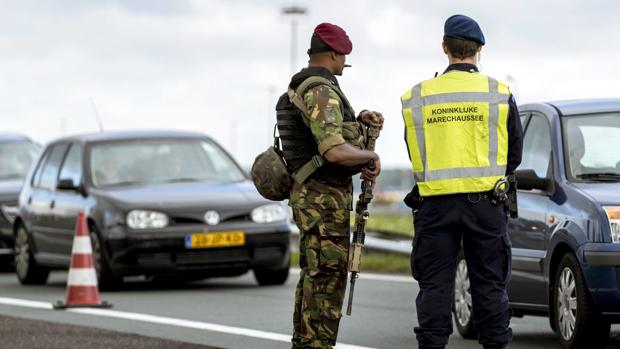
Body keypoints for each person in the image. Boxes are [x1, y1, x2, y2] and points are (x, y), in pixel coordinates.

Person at [400, 15, 524, 349]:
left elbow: (414, 150)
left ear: (445, 47)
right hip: (486, 204)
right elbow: (514, 154)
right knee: (489, 285)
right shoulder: (499, 93)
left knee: (435, 286)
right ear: (479, 49)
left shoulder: (416, 97)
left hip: (435, 207)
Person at [277, 23, 383, 349]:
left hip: (311, 197)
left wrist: (358, 121)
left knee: (313, 277)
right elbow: (333, 150)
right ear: (334, 54)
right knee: (326, 281)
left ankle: (305, 344)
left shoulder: (304, 85)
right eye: (344, 58)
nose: (344, 65)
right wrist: (368, 156)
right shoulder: (321, 89)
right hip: (323, 201)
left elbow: (322, 134)